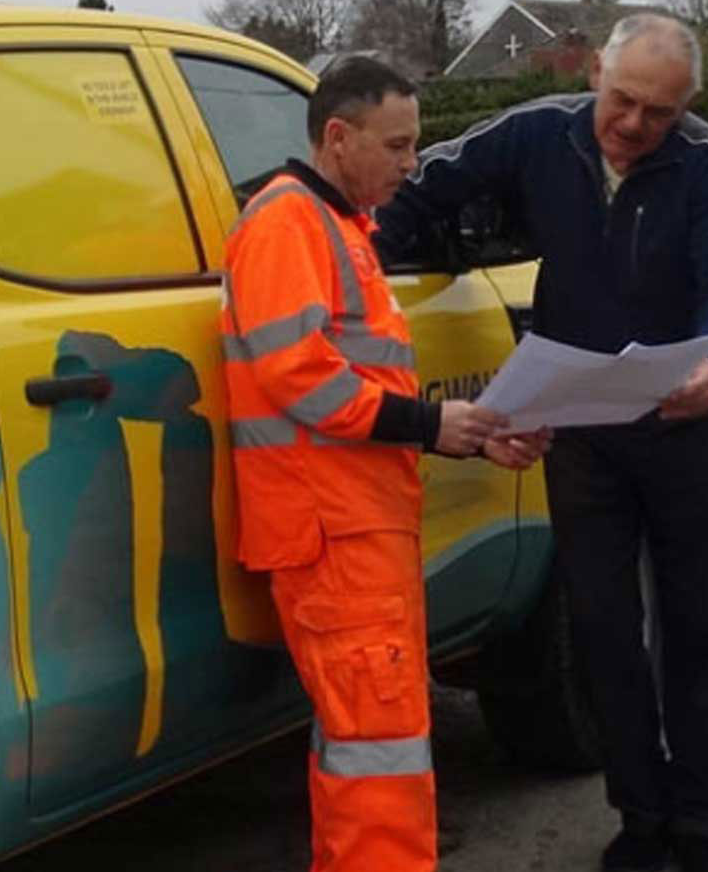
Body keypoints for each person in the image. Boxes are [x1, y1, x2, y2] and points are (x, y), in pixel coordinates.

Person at [375, 15, 708, 872]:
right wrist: (357, 274)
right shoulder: (534, 134)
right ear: (595, 72)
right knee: (603, 628)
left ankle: (704, 831)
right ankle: (641, 817)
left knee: (705, 629)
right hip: (584, 431)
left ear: (685, 109)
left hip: (689, 428)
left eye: (658, 113)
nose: (633, 125)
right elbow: (418, 185)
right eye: (622, 100)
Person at [220, 56, 547, 872]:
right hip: (333, 531)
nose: (413, 164)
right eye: (398, 146)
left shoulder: (332, 227)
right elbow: (300, 375)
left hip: (352, 525)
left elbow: (349, 384)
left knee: (373, 743)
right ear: (339, 137)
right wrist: (434, 422)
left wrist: (458, 430)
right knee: (379, 744)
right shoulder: (289, 225)